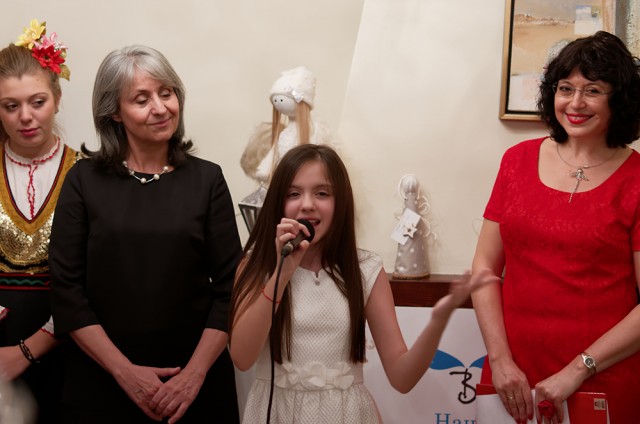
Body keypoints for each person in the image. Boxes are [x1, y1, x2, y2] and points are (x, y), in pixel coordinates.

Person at [229, 144, 497, 423]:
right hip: (277, 412)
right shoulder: (256, 265)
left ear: (340, 202)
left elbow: (402, 377)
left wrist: (439, 319)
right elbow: (242, 357)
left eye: (322, 193)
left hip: (346, 414)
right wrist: (281, 274)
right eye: (293, 194)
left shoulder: (364, 269)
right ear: (278, 203)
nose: (307, 204)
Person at [48, 45, 241, 424]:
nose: (160, 107)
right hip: (102, 383)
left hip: (194, 387)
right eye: (141, 99)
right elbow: (66, 292)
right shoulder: (83, 180)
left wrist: (193, 375)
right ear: (114, 112)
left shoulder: (208, 180)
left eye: (166, 93)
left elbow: (232, 288)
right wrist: (125, 373)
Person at [471, 31, 640, 424]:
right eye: (566, 88)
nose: (575, 103)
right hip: (511, 379)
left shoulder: (636, 179)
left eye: (592, 91)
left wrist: (577, 370)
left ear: (619, 100)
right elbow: (483, 269)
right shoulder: (516, 161)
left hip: (601, 379)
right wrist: (500, 360)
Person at [0, 19, 79, 424]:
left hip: (70, 347)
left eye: (37, 102)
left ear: (57, 99)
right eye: (11, 106)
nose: (25, 117)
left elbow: (96, 280)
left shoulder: (88, 174)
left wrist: (29, 349)